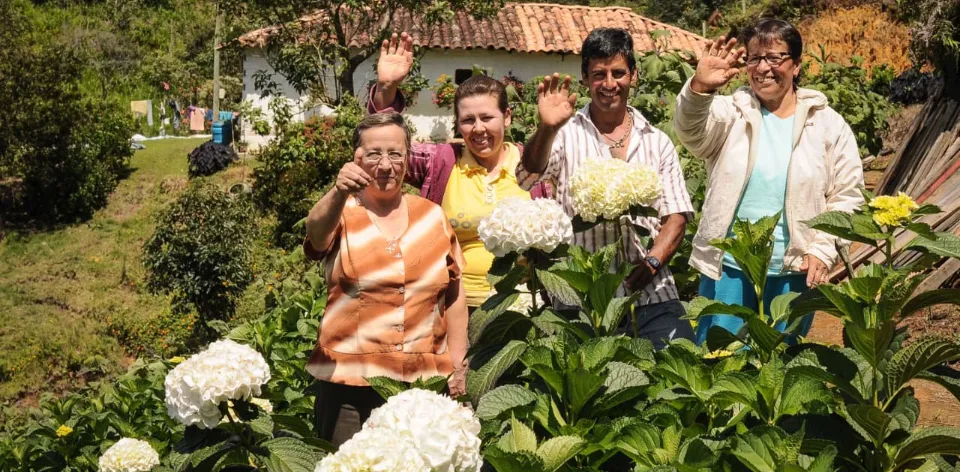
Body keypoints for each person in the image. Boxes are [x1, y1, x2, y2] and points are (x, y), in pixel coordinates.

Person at [672, 19, 864, 344]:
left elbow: (848, 195)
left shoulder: (828, 125)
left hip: (793, 266)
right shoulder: (731, 112)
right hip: (729, 265)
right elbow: (690, 131)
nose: (763, 68)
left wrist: (822, 249)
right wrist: (699, 90)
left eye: (775, 57)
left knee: (780, 367)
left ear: (797, 65)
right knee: (719, 362)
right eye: (754, 58)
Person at [518, 27, 696, 349]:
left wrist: (652, 263)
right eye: (598, 74)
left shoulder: (658, 142)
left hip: (652, 296)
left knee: (681, 371)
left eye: (618, 72)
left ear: (634, 75)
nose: (609, 84)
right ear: (584, 78)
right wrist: (546, 129)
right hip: (582, 300)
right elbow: (528, 176)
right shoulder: (565, 135)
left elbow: (677, 218)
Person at [303, 112, 469, 445]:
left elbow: (455, 292)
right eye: (374, 154)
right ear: (357, 158)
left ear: (408, 158)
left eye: (395, 153)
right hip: (348, 386)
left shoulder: (432, 216)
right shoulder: (342, 211)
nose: (385, 164)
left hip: (423, 384)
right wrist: (337, 191)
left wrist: (457, 362)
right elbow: (316, 235)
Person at [370, 32, 550, 311]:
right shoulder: (442, 161)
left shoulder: (533, 164)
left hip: (524, 307)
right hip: (452, 307)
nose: (478, 129)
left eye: (487, 117)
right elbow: (386, 149)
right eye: (468, 120)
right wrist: (386, 89)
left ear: (508, 116)